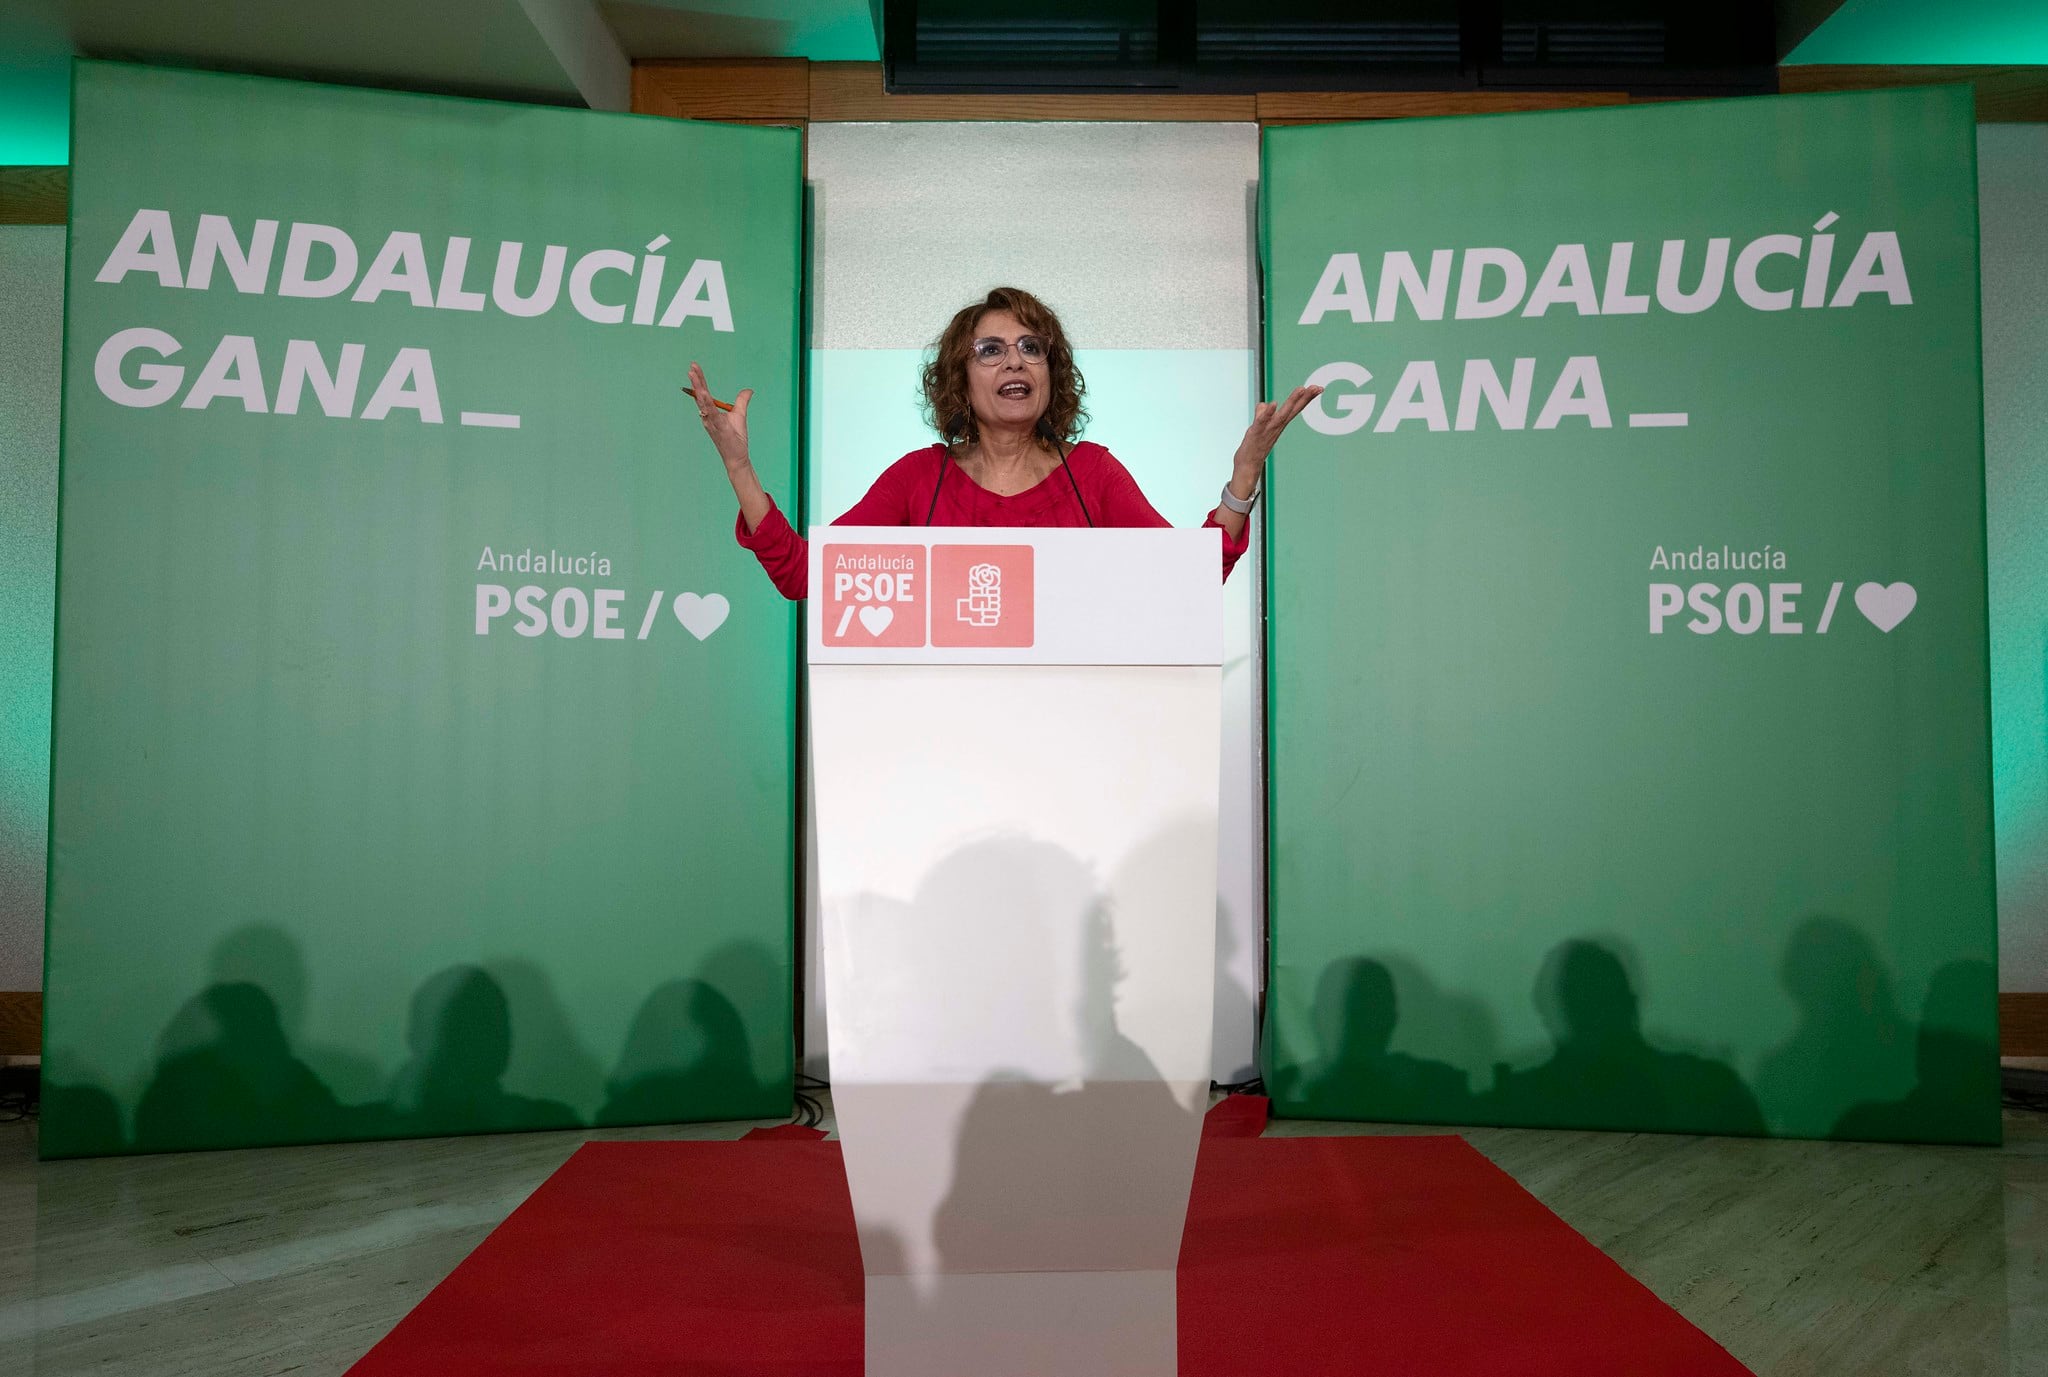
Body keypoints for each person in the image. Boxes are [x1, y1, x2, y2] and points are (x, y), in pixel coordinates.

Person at [688, 286, 1321, 598]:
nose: (1015, 363)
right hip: (941, 746)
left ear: (1052, 372)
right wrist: (740, 469)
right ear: (960, 379)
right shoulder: (917, 478)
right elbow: (807, 579)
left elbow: (1184, 581)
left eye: (1032, 349)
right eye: (990, 351)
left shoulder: (1093, 474)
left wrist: (1243, 477)